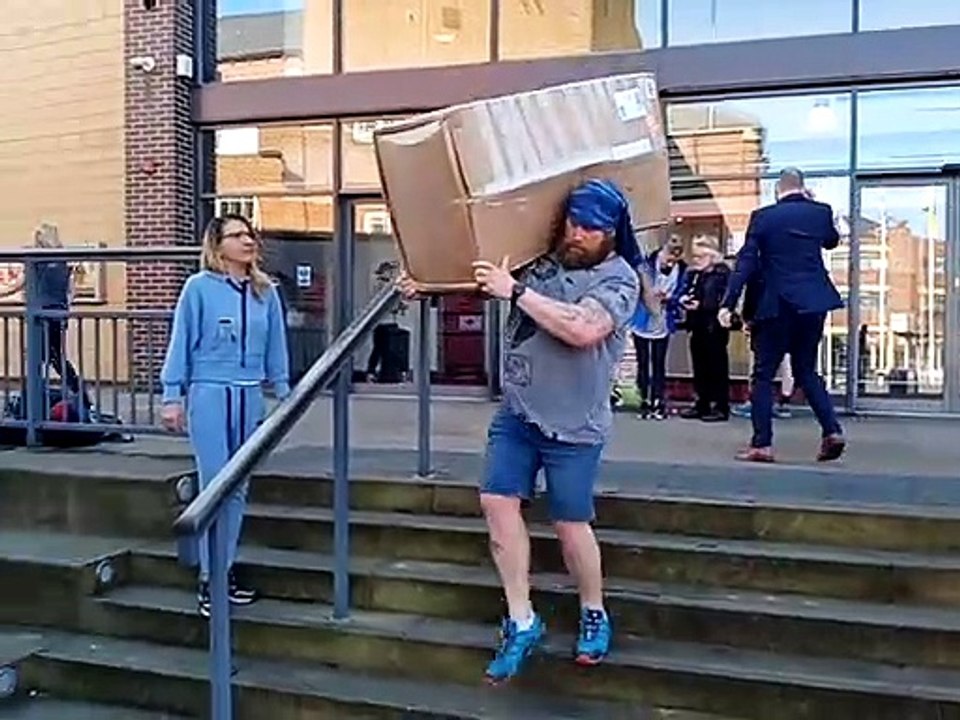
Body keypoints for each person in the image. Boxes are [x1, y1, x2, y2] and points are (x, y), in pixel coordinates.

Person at [399, 179, 639, 684]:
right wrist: (427, 282)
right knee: (497, 501)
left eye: (591, 229)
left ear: (612, 233)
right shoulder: (540, 258)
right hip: (519, 414)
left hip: (576, 424)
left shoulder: (619, 279)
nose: (578, 234)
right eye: (574, 223)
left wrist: (519, 292)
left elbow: (583, 328)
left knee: (572, 525)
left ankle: (593, 610)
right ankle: (521, 619)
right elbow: (483, 274)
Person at [160, 214, 291, 617]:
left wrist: (284, 392)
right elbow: (181, 339)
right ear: (217, 246)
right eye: (236, 235)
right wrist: (172, 394)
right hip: (210, 394)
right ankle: (207, 579)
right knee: (214, 485)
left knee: (238, 488)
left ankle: (224, 570)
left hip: (249, 395)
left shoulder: (265, 292)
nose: (247, 240)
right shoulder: (198, 288)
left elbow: (276, 346)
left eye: (249, 234)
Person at [719, 168, 845, 463]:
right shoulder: (821, 212)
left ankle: (762, 444)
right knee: (806, 371)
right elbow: (831, 241)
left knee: (763, 375)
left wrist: (729, 303)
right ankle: (832, 430)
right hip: (814, 303)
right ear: (802, 187)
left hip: (776, 305)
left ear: (778, 190)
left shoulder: (764, 217)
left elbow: (746, 262)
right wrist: (813, 205)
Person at [0, 223, 89, 405]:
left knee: (42, 358)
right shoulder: (63, 261)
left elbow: (19, 284)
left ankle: (30, 401)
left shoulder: (37, 261)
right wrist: (65, 306)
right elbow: (71, 290)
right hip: (58, 313)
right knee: (52, 357)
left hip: (40, 316)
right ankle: (78, 396)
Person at [630, 237, 686, 420]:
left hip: (663, 319)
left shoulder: (682, 270)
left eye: (673, 261)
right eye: (667, 258)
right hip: (642, 319)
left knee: (659, 363)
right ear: (661, 251)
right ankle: (644, 399)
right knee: (643, 362)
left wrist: (670, 298)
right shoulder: (646, 265)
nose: (669, 263)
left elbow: (681, 292)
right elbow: (635, 288)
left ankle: (658, 400)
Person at [678, 237, 731, 422]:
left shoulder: (722, 274)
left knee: (716, 365)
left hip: (714, 325)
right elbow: (687, 291)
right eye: (695, 256)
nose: (696, 260)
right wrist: (685, 299)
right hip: (698, 323)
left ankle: (720, 405)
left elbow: (722, 300)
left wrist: (701, 305)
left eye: (701, 256)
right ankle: (702, 402)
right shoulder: (696, 274)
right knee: (699, 365)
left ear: (712, 255)